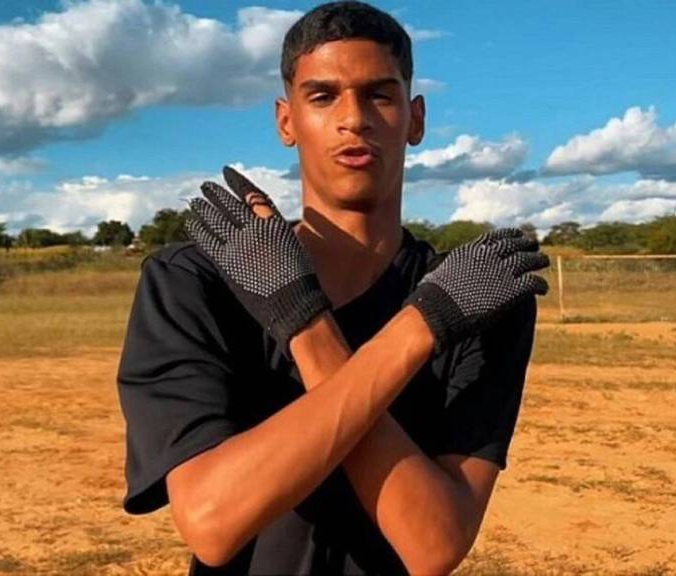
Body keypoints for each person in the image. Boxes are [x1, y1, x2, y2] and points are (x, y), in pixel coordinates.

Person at [116, 2, 549, 574]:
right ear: (286, 121)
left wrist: (409, 317)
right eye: (323, 96)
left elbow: (434, 544)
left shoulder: (475, 299)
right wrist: (405, 329)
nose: (354, 118)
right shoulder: (193, 281)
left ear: (415, 119)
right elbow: (212, 522)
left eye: (380, 95)